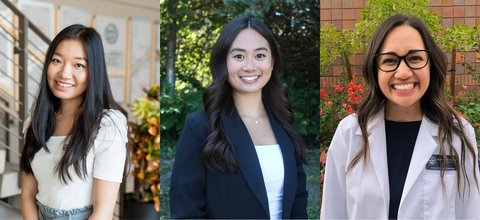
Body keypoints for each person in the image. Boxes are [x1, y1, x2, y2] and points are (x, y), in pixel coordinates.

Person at [320, 14, 480, 219]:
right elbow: (333, 212)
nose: (403, 72)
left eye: (415, 58)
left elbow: (471, 212)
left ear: (431, 64)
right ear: (375, 70)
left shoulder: (458, 133)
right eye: (389, 60)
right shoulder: (350, 133)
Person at [169, 17, 308, 219]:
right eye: (239, 56)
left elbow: (298, 197)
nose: (250, 66)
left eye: (260, 55)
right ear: (224, 61)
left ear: (272, 62)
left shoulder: (284, 121)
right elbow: (186, 212)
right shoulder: (200, 127)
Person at [20, 24, 129, 220]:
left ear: (93, 72)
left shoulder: (107, 126)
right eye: (57, 60)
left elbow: (103, 213)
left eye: (79, 65)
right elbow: (28, 193)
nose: (64, 73)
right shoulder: (36, 120)